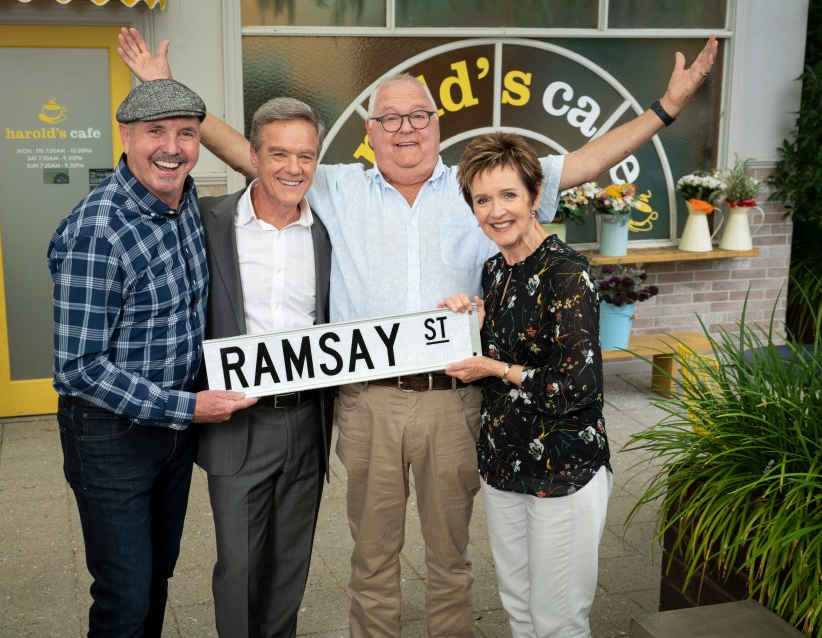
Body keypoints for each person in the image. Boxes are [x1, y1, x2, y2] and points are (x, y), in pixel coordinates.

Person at [117, 28, 717, 636]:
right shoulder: (334, 186)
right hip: (368, 403)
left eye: (418, 116)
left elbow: (587, 161)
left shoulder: (477, 187)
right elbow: (256, 154)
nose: (405, 128)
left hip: (453, 402)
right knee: (372, 561)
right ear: (369, 132)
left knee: (450, 561)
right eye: (390, 118)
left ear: (437, 124)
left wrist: (664, 110)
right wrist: (166, 95)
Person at [47, 78, 256, 638]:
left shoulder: (186, 201)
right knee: (124, 595)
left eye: (186, 133)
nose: (172, 147)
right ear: (126, 136)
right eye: (155, 132)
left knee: (157, 577)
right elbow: (77, 367)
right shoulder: (98, 229)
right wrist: (188, 408)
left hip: (176, 427)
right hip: (111, 435)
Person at [440, 132, 608, 637]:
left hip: (563, 469)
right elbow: (502, 341)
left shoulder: (568, 274)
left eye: (509, 195)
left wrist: (495, 368)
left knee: (559, 620)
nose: (496, 211)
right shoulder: (495, 271)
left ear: (536, 197)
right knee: (518, 607)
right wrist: (467, 320)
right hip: (503, 461)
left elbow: (578, 386)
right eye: (482, 199)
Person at [194, 96, 333, 637]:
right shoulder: (209, 220)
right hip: (237, 422)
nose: (293, 169)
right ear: (252, 154)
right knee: (239, 568)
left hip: (306, 421)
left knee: (290, 566)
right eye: (279, 154)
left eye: (306, 156)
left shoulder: (326, 232)